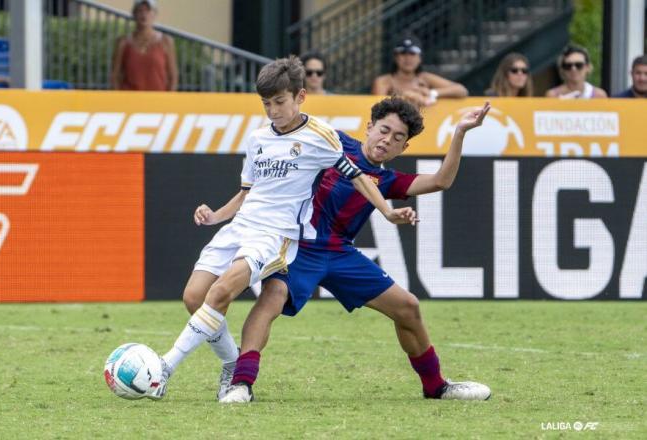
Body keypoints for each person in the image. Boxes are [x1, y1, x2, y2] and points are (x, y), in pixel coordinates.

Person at [149, 57, 416, 400]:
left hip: (276, 234)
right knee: (194, 297)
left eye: (279, 102)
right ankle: (232, 364)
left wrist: (387, 212)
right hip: (241, 226)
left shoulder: (321, 136)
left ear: (300, 96)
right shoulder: (258, 138)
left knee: (221, 292)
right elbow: (247, 193)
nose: (272, 110)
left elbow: (358, 176)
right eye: (266, 103)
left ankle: (164, 368)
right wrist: (215, 216)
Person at [219, 97, 492, 403]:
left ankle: (436, 386)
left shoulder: (387, 180)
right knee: (272, 297)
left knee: (408, 307)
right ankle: (241, 384)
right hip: (299, 246)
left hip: (340, 254)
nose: (387, 140)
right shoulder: (332, 142)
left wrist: (460, 133)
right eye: (384, 130)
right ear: (369, 127)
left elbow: (442, 181)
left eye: (398, 138)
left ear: (403, 149)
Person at [372, 34, 468, 107]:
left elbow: (461, 90)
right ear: (396, 57)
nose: (408, 58)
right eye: (403, 53)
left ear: (420, 58)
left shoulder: (425, 78)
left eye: (412, 53)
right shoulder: (385, 81)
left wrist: (431, 93)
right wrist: (407, 97)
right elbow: (379, 107)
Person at [111, 0, 179, 91]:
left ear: (154, 14)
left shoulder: (166, 41)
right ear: (134, 14)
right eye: (140, 11)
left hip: (157, 100)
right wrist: (119, 97)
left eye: (148, 11)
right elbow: (114, 75)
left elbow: (173, 76)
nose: (144, 15)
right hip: (130, 100)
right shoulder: (123, 42)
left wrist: (168, 99)